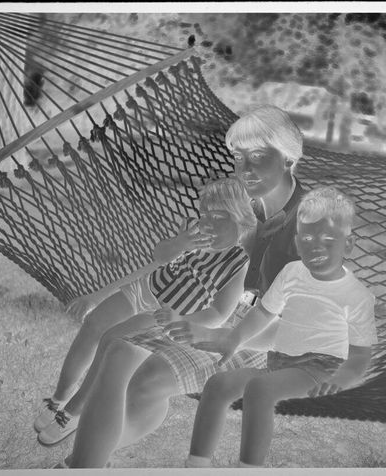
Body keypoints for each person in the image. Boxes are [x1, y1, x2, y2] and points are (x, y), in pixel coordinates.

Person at [51, 105, 308, 467]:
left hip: (250, 339)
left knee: (126, 358)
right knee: (141, 380)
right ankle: (83, 458)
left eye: (258, 156)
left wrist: (216, 332)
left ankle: (80, 463)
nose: (245, 169)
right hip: (213, 316)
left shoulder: (303, 228)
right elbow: (176, 263)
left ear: (288, 159)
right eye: (239, 157)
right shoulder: (246, 207)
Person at [36, 177, 259, 446]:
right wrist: (181, 243)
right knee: (94, 323)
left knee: (111, 340)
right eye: (205, 214)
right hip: (146, 290)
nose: (208, 222)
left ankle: (74, 411)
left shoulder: (238, 263)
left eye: (219, 217)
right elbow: (160, 256)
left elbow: (220, 313)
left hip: (165, 313)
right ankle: (59, 398)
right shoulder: (193, 231)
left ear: (240, 219)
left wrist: (182, 320)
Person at [178, 186, 378, 468]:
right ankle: (196, 465)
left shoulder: (356, 296)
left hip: (321, 369)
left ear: (348, 244)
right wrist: (235, 338)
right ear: (297, 243)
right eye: (307, 238)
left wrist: (344, 377)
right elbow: (263, 312)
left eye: (327, 239)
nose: (315, 246)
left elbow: (360, 354)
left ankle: (249, 468)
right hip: (280, 364)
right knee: (218, 384)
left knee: (259, 389)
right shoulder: (292, 273)